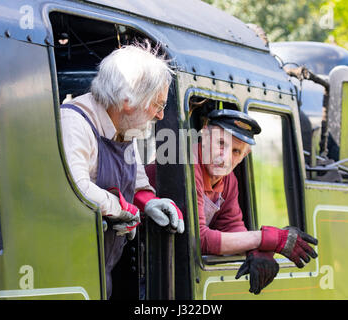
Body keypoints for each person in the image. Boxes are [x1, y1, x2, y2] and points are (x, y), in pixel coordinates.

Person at [60, 42, 184, 298]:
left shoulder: (125, 129)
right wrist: (120, 208)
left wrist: (149, 202)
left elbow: (136, 182)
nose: (160, 116)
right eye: (157, 105)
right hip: (68, 275)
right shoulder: (74, 123)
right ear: (128, 100)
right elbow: (76, 188)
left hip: (101, 272)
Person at [194, 109, 318, 294]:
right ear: (204, 135)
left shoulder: (228, 181)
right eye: (221, 143)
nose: (225, 158)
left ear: (245, 155)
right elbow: (199, 238)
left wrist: (256, 251)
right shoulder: (186, 165)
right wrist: (269, 239)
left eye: (236, 151)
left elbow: (231, 226)